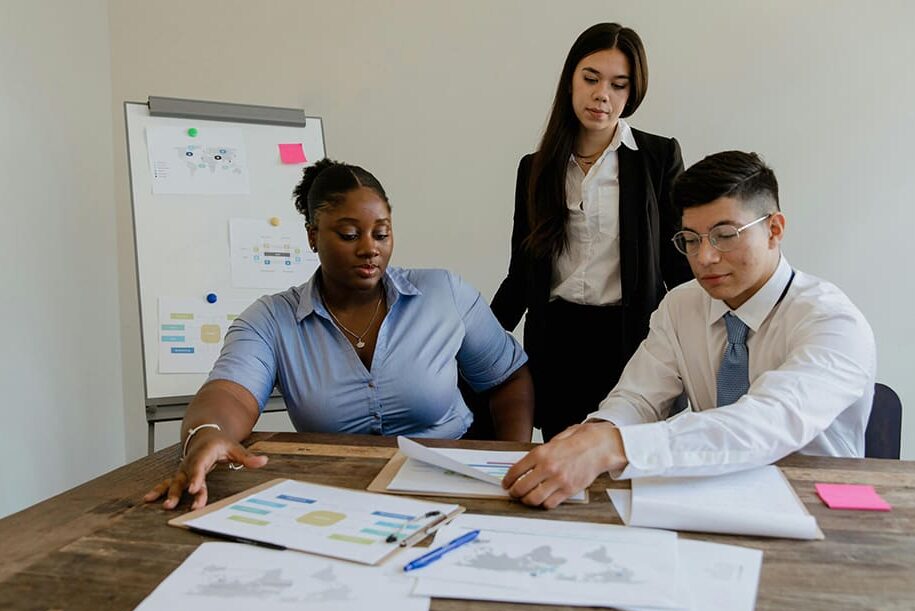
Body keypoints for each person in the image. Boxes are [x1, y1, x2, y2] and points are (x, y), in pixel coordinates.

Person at [146, 158, 534, 510]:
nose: (369, 249)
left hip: (457, 486)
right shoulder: (271, 319)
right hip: (338, 496)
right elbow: (229, 393)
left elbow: (509, 378)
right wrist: (207, 435)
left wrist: (511, 459)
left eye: (381, 234)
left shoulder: (443, 294)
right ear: (312, 235)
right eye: (349, 235)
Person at [502, 150, 876, 508]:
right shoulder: (681, 306)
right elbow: (638, 398)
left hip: (817, 507)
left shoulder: (833, 322)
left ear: (774, 230)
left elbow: (763, 423)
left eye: (724, 235)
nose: (704, 258)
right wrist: (596, 432)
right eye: (690, 240)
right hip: (708, 499)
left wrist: (616, 446)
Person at [490, 23, 692, 441]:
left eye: (619, 85)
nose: (603, 95)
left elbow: (680, 263)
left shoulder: (656, 158)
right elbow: (521, 274)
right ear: (570, 81)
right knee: (563, 469)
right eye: (591, 79)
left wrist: (713, 334)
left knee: (629, 464)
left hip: (633, 342)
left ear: (631, 94)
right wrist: (475, 338)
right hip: (557, 343)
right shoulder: (536, 167)